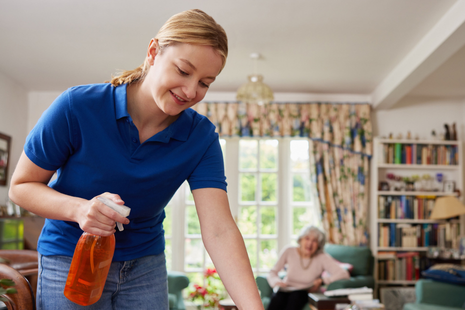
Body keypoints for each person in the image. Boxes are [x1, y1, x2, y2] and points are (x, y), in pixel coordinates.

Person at [9, 9, 264, 310]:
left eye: (205, 83)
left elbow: (219, 229)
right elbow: (21, 186)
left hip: (145, 265)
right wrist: (79, 209)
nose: (191, 91)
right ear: (153, 52)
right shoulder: (77, 107)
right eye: (183, 71)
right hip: (71, 257)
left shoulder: (201, 137)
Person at [266, 225, 350, 310]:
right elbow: (272, 272)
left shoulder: (322, 257)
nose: (310, 243)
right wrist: (276, 282)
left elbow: (343, 274)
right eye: (307, 238)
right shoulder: (289, 251)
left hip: (305, 292)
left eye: (315, 241)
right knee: (277, 298)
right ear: (301, 239)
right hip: (286, 289)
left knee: (295, 297)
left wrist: (323, 281)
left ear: (319, 244)